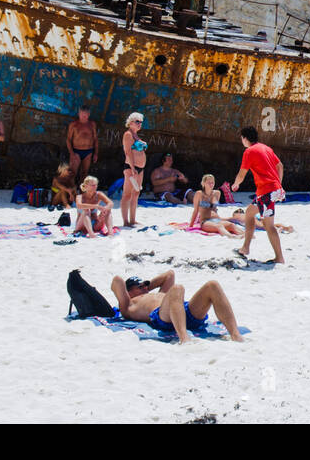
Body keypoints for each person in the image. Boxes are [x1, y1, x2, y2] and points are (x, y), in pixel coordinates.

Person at [111, 270, 242, 342]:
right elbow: (117, 280)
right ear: (129, 291)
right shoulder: (128, 305)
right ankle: (184, 338)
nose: (145, 287)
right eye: (140, 286)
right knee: (177, 288)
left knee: (212, 285)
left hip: (181, 310)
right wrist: (130, 293)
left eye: (146, 285)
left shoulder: (160, 293)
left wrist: (146, 286)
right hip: (163, 317)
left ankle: (235, 335)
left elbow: (169, 274)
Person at [233, 127, 285, 263]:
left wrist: (236, 184)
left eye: (241, 138)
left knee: (269, 226)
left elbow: (242, 173)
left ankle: (279, 258)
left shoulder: (249, 151)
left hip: (267, 191)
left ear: (245, 138)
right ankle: (245, 248)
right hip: (269, 190)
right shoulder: (266, 148)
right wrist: (278, 185)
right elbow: (280, 166)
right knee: (249, 213)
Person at [120, 112, 148, 226]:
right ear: (130, 122)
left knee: (136, 193)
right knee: (127, 194)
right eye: (137, 122)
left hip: (140, 168)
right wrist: (132, 168)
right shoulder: (128, 134)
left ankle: (132, 219)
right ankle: (126, 221)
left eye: (141, 122)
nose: (139, 124)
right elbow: (128, 152)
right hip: (132, 167)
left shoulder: (136, 135)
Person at [65, 104, 100, 183]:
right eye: (82, 114)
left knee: (84, 173)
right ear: (79, 114)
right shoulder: (73, 125)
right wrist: (71, 153)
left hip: (88, 152)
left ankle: (82, 193)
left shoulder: (92, 124)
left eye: (85, 115)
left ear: (89, 114)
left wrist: (96, 153)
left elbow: (95, 139)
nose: (83, 116)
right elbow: (68, 140)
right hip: (76, 151)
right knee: (72, 173)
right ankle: (71, 193)